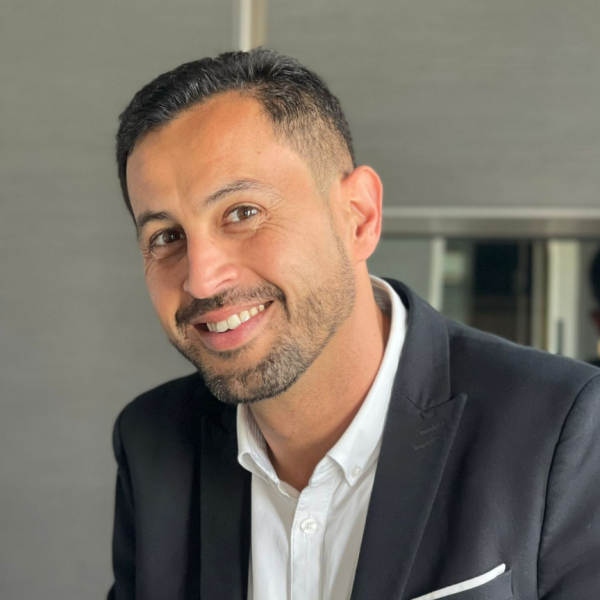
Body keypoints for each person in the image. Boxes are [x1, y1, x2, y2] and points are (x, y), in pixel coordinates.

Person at [108, 49, 600, 600]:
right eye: (166, 237)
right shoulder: (151, 442)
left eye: (242, 213)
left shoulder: (563, 428)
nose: (201, 279)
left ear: (358, 217)